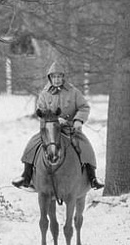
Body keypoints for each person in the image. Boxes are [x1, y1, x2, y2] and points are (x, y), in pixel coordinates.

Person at [12, 61, 104, 190]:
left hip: (70, 129)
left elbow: (84, 107)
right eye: (54, 77)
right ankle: (26, 176)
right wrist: (54, 120)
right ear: (50, 78)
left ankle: (92, 178)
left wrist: (78, 120)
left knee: (84, 145)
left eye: (59, 76)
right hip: (50, 130)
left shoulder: (74, 92)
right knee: (32, 144)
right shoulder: (44, 94)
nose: (56, 80)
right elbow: (41, 111)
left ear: (63, 77)